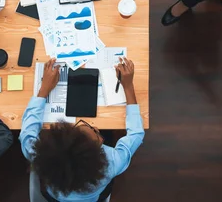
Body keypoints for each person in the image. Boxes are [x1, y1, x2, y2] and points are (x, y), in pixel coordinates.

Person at [20, 58, 144, 202]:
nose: (96, 127)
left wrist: (44, 90)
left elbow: (27, 133)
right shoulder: (111, 162)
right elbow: (136, 133)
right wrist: (128, 86)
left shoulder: (38, 153)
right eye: (96, 134)